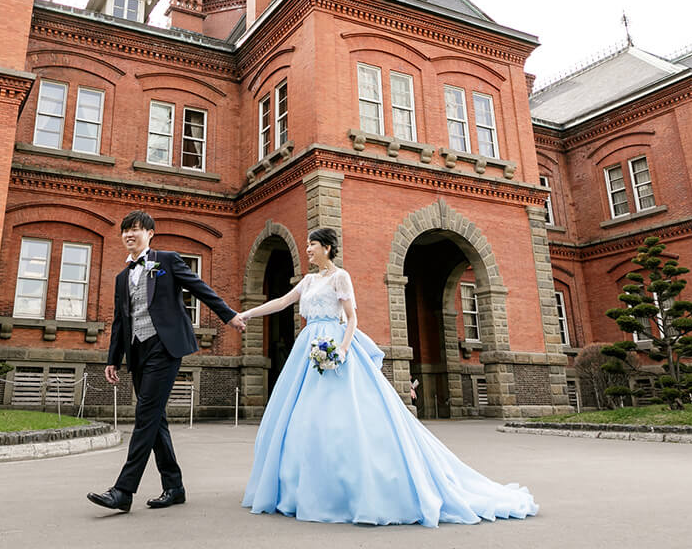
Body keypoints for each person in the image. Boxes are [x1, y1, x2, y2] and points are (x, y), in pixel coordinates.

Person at [237, 227, 538, 527]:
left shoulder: (341, 277)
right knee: (304, 417)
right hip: (308, 348)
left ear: (327, 248)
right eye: (307, 245)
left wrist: (341, 350)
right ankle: (302, 485)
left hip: (333, 345)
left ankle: (349, 486)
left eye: (312, 245)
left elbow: (352, 318)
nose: (308, 250)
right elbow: (281, 302)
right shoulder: (308, 280)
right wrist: (248, 315)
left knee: (343, 416)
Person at [87, 210, 247, 513]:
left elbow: (200, 289)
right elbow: (122, 321)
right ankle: (173, 487)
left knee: (145, 415)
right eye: (125, 231)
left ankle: (123, 490)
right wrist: (113, 359)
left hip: (164, 346)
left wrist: (229, 315)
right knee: (155, 419)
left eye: (136, 229)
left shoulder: (167, 260)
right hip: (138, 350)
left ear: (150, 234)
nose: (130, 235)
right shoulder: (123, 277)